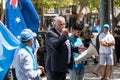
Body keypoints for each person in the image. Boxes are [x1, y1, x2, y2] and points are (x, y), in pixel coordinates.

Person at [45, 16, 86, 80]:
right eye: (60, 24)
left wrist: (76, 49)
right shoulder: (50, 34)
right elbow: (55, 45)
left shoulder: (63, 33)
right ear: (54, 25)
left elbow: (66, 47)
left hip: (63, 66)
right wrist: (63, 35)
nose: (63, 26)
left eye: (64, 24)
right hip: (55, 68)